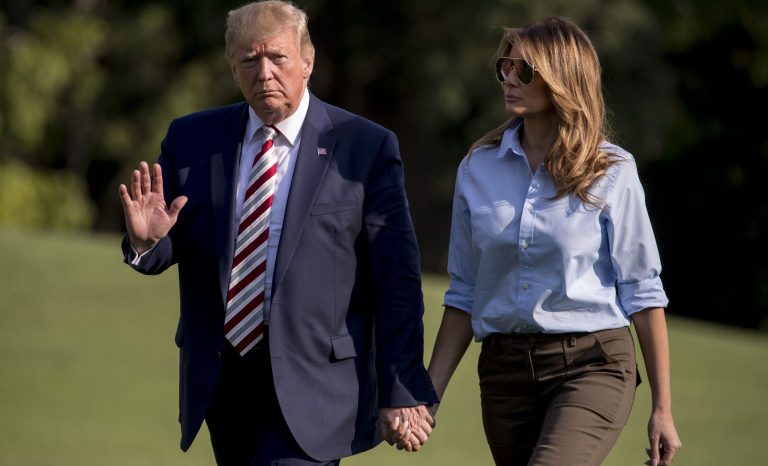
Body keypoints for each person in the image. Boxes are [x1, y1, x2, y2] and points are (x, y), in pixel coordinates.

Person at [118, 1, 437, 464]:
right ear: (232, 68)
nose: (264, 72)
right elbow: (167, 242)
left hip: (317, 384)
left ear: (307, 62)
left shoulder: (363, 146)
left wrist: (402, 385)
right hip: (222, 381)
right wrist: (147, 244)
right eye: (249, 60)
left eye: (277, 58)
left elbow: (397, 279)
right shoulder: (192, 139)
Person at [427, 17, 681, 466]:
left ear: (562, 78)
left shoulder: (613, 170)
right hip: (504, 374)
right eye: (504, 67)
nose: (509, 78)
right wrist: (430, 396)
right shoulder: (476, 169)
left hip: (593, 363)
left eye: (524, 71)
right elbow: (465, 292)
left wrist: (662, 408)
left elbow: (643, 291)